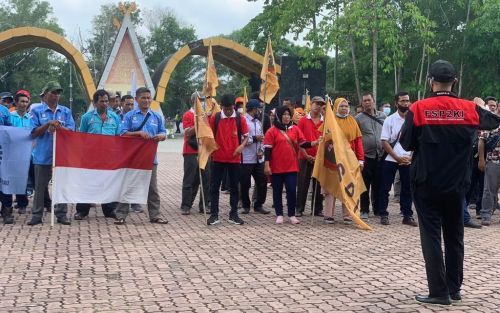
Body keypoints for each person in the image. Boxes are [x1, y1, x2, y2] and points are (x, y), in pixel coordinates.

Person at [400, 60, 500, 305]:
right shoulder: (469, 109)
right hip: (458, 185)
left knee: (431, 237)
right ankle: (454, 288)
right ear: (455, 81)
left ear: (430, 81)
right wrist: (476, 106)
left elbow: (405, 143)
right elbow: (494, 122)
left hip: (426, 183)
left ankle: (438, 291)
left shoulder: (419, 108)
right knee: (455, 237)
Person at [114, 87, 169, 225]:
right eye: (143, 98)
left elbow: (163, 133)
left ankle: (155, 215)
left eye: (148, 98)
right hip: (132, 158)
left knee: (153, 189)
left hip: (150, 159)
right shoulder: (129, 116)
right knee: (127, 186)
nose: (146, 100)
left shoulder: (156, 116)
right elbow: (122, 133)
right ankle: (121, 215)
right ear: (137, 99)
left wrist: (162, 136)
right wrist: (137, 133)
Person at [27, 81, 75, 226]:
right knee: (40, 187)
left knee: (61, 185)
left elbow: (72, 131)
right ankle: (36, 215)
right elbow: (33, 133)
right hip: (42, 154)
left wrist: (60, 127)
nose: (56, 95)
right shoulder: (36, 111)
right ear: (45, 94)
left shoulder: (65, 111)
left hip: (61, 155)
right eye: (53, 92)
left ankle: (62, 214)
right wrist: (48, 124)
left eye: (58, 93)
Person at [263, 106, 320, 224]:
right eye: (284, 114)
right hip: (276, 166)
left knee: (291, 190)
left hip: (291, 166)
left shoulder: (295, 129)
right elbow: (267, 150)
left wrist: (314, 143)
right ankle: (279, 214)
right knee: (277, 191)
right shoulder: (271, 131)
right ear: (279, 116)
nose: (287, 117)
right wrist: (267, 165)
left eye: (288, 114)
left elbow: (303, 143)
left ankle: (291, 214)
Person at [74, 90, 121, 220]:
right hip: (90, 157)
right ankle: (82, 211)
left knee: (108, 183)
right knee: (87, 183)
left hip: (109, 157)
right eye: (102, 101)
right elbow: (81, 138)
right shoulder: (86, 118)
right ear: (95, 103)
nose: (105, 104)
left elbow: (118, 137)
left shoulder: (115, 118)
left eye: (107, 101)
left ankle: (109, 210)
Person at [207, 94, 249, 226]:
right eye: (226, 109)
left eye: (231, 109)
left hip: (234, 158)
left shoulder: (240, 119)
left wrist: (241, 146)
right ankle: (214, 215)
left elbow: (246, 137)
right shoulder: (216, 118)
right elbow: (209, 136)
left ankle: (233, 214)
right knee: (214, 187)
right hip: (218, 157)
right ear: (222, 107)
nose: (229, 112)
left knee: (234, 187)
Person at [377, 92, 417, 226]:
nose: (406, 103)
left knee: (407, 188)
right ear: (396, 103)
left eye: (407, 100)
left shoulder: (414, 120)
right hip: (390, 159)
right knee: (385, 188)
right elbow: (384, 141)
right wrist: (397, 157)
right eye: (403, 101)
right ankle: (383, 213)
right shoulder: (390, 119)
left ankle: (407, 215)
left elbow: (417, 140)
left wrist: (410, 156)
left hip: (407, 159)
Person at [323, 98, 364, 224]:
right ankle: (329, 215)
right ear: (336, 107)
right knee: (330, 188)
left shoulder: (353, 121)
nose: (345, 108)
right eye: (342, 106)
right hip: (332, 160)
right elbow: (324, 138)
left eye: (346, 106)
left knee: (347, 187)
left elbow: (358, 142)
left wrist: (361, 159)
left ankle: (347, 215)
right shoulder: (330, 121)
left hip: (349, 160)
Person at [355, 91, 386, 219]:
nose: (367, 102)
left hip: (381, 155)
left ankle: (378, 209)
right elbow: (355, 138)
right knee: (365, 185)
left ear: (374, 101)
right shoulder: (358, 119)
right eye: (365, 101)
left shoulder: (383, 116)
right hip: (366, 157)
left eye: (369, 100)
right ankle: (364, 210)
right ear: (362, 103)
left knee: (379, 184)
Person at [180, 92, 210, 215]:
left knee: (206, 179)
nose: (203, 102)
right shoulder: (188, 115)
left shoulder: (207, 114)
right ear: (194, 101)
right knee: (190, 179)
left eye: (203, 100)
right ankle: (186, 205)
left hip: (205, 150)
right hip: (190, 151)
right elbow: (187, 132)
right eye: (200, 100)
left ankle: (204, 205)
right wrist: (199, 122)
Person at [296, 96, 325, 217]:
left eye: (320, 104)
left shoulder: (325, 121)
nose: (318, 106)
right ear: (311, 104)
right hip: (304, 156)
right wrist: (306, 154)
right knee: (303, 183)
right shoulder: (303, 120)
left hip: (320, 157)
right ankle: (299, 208)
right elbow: (298, 140)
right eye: (316, 103)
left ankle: (317, 209)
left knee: (319, 184)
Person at [240, 99, 269, 215]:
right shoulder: (243, 121)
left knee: (262, 181)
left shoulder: (258, 122)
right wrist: (254, 139)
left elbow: (262, 138)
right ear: (253, 109)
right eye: (258, 108)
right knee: (245, 183)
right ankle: (246, 205)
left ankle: (258, 204)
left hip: (258, 157)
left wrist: (262, 149)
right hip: (247, 157)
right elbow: (242, 139)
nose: (259, 111)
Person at [6, 90, 32, 216]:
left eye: (26, 102)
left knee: (24, 179)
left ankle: (22, 204)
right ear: (16, 103)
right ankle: (8, 206)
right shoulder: (10, 117)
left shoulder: (31, 118)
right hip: (12, 154)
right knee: (11, 179)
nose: (24, 104)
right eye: (21, 101)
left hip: (28, 154)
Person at [478, 97, 500, 226]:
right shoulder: (492, 121)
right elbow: (481, 140)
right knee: (489, 189)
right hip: (493, 161)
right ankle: (486, 213)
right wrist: (481, 159)